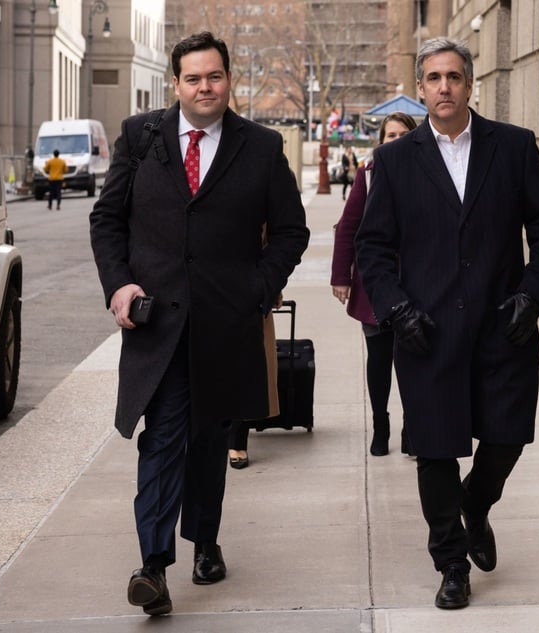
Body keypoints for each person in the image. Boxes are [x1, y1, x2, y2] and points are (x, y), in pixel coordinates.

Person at [89, 31, 309, 617]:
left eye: (214, 77)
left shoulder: (260, 147)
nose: (204, 87)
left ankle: (205, 540)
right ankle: (153, 568)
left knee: (210, 439)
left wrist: (258, 290)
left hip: (225, 324)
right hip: (158, 324)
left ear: (228, 80)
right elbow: (107, 221)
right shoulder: (140, 138)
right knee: (161, 437)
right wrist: (119, 286)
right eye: (193, 78)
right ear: (175, 83)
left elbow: (292, 231)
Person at [355, 37, 539, 610]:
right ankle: (450, 561)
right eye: (433, 78)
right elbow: (372, 248)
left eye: (454, 76)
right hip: (426, 331)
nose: (444, 87)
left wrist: (534, 294)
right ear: (421, 89)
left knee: (505, 437)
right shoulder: (395, 161)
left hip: (505, 326)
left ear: (471, 84)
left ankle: (477, 504)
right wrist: (396, 310)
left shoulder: (515, 147)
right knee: (435, 450)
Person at [331, 112, 417, 456]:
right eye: (389, 135)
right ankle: (380, 425)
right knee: (379, 359)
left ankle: (413, 427)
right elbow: (347, 227)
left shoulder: (428, 172)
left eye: (402, 134)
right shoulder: (368, 174)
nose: (395, 140)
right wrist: (341, 276)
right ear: (381, 141)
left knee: (414, 361)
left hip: (416, 282)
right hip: (374, 284)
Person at [228, 292, 282, 470]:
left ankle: (237, 441)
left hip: (246, 290)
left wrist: (272, 286)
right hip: (201, 287)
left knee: (244, 366)